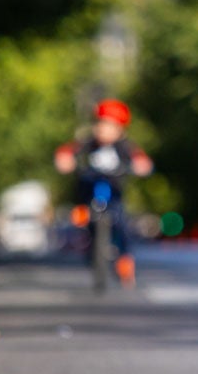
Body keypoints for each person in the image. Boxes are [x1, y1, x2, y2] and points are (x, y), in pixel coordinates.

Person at [54, 98, 152, 286]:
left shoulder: (124, 146)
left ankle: (124, 260)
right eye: (100, 124)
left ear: (120, 129)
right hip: (89, 190)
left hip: (114, 192)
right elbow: (68, 151)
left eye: (109, 126)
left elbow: (140, 159)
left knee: (122, 223)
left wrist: (142, 166)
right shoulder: (88, 144)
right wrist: (64, 159)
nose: (103, 130)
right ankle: (83, 219)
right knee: (82, 193)